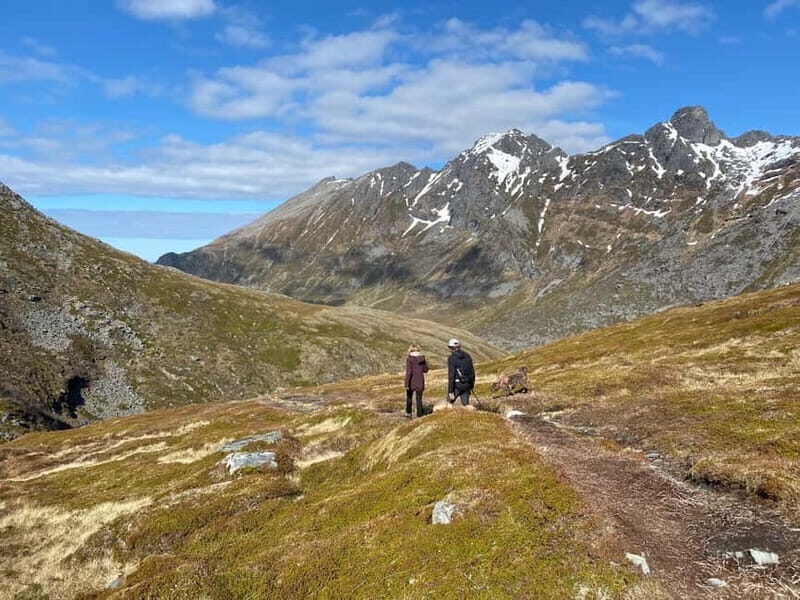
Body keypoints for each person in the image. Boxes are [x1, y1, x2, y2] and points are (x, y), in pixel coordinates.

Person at [446, 338, 475, 408]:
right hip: (467, 384)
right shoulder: (467, 356)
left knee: (449, 402)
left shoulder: (451, 358)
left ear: (450, 348)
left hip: (457, 385)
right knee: (466, 404)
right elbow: (472, 372)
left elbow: (451, 376)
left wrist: (450, 391)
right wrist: (471, 385)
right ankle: (472, 415)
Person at [405, 343, 429, 418]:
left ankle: (408, 412)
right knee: (419, 398)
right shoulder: (422, 358)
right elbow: (425, 370)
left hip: (411, 381)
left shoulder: (409, 359)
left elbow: (409, 372)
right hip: (420, 381)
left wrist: (406, 383)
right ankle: (420, 414)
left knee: (409, 397)